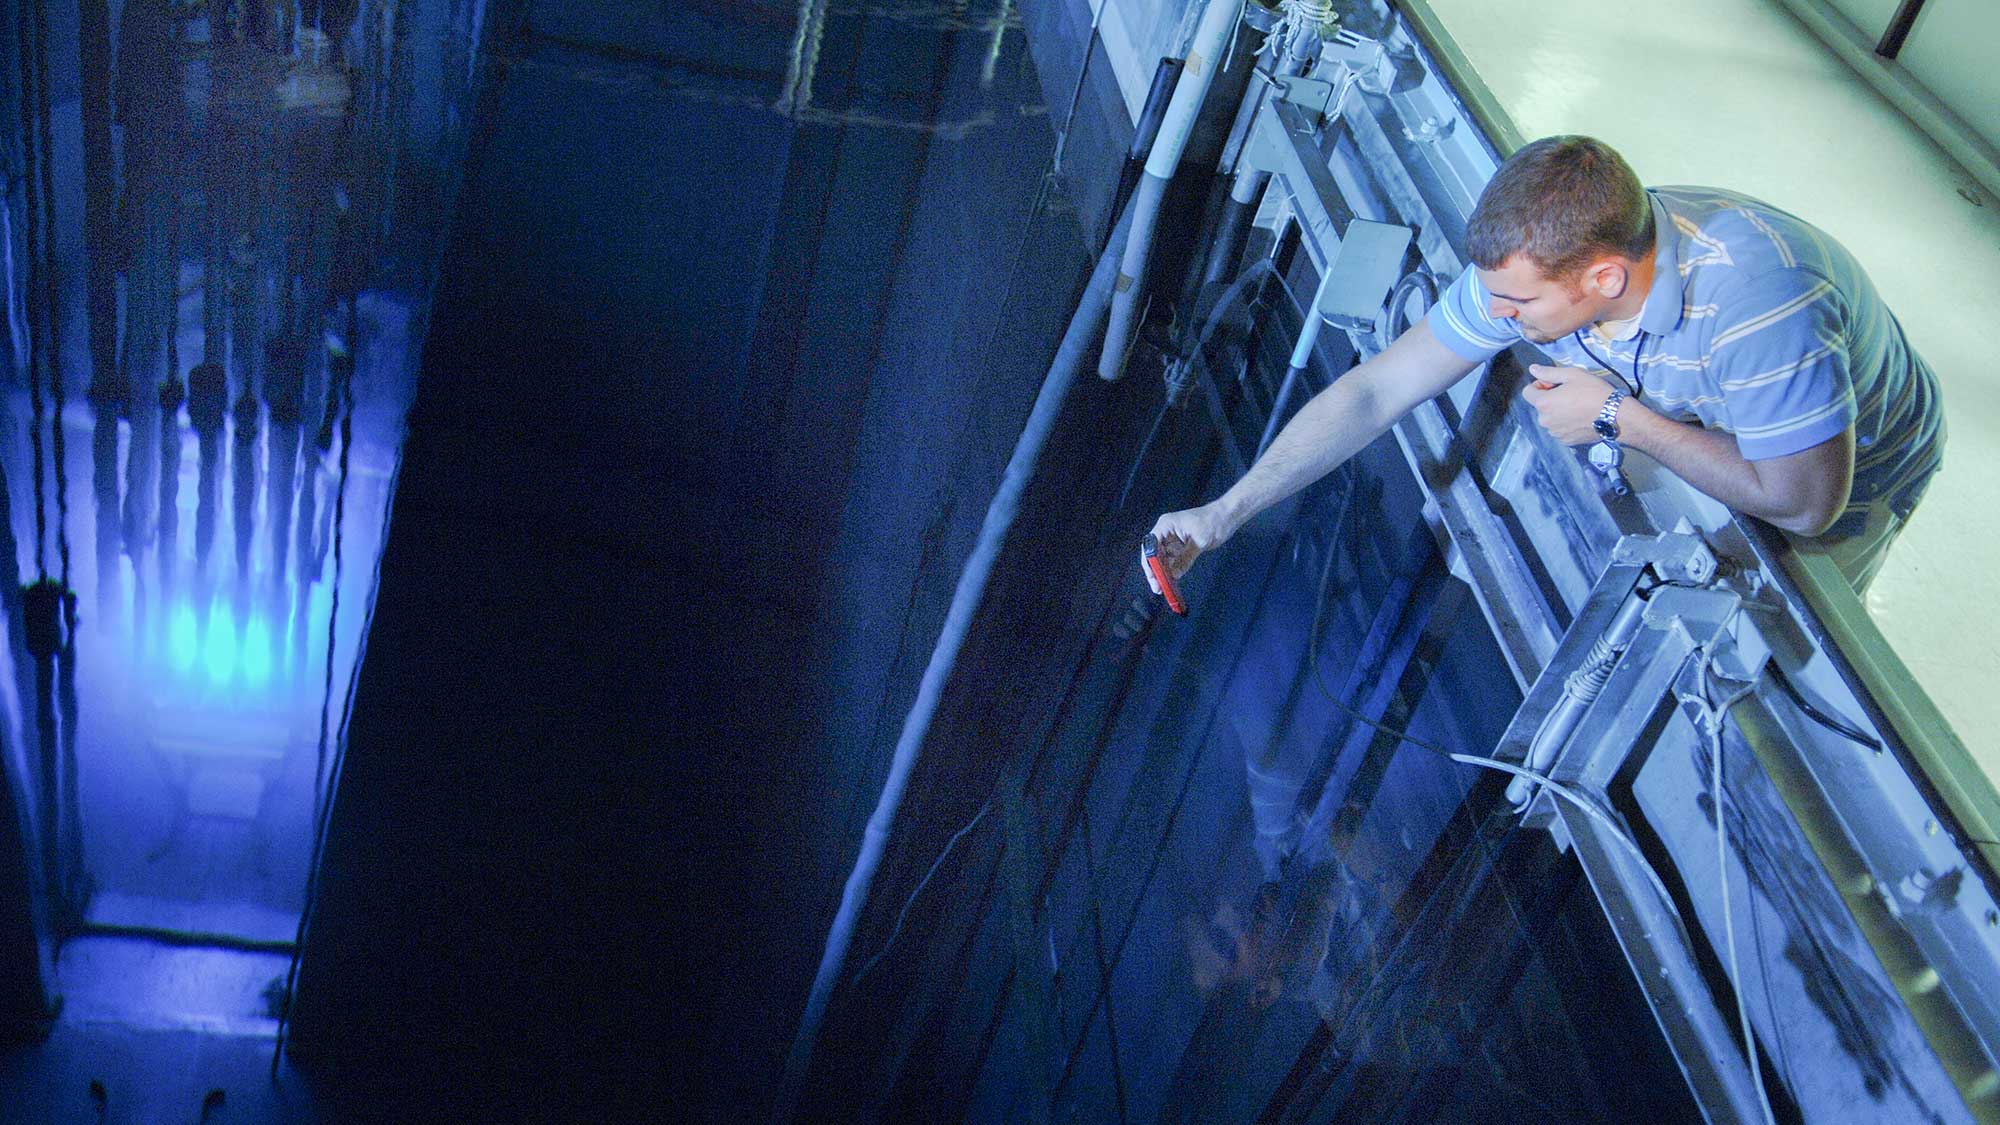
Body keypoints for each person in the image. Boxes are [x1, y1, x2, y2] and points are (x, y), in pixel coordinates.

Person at [1146, 135, 1943, 594]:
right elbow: (1377, 388)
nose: (1496, 318)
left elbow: (1806, 505)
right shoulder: (1534, 263)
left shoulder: (1765, 304)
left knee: (1792, 590)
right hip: (1715, 394)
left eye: (1519, 306)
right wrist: (1226, 511)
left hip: (1859, 458)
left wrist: (1620, 419)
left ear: (1604, 278)